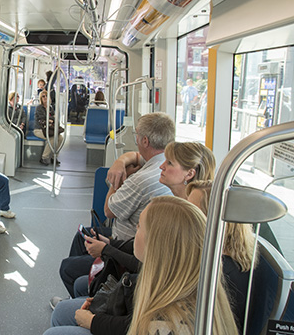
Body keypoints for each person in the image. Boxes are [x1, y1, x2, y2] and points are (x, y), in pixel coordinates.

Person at [46, 197, 238, 335]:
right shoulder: (182, 282)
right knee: (64, 311)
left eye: (139, 227)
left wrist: (95, 322)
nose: (135, 232)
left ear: (155, 244)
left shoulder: (167, 323)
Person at [55, 113, 174, 302]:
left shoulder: (141, 180)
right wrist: (120, 162)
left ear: (144, 140)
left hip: (125, 242)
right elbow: (134, 156)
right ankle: (86, 289)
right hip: (131, 237)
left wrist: (116, 181)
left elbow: (108, 211)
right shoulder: (164, 161)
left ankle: (87, 300)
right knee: (82, 236)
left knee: (67, 267)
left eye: (136, 135)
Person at [186, 180, 256, 332]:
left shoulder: (221, 272)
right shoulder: (219, 258)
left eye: (192, 211)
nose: (185, 216)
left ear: (215, 220)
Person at [34, 90, 64, 166]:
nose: (45, 98)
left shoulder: (50, 108)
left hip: (49, 129)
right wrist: (50, 119)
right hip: (39, 130)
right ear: (41, 98)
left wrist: (50, 120)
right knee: (52, 138)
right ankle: (44, 157)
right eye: (43, 96)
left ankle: (54, 157)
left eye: (46, 96)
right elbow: (42, 119)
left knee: (60, 138)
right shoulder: (39, 108)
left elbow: (54, 119)